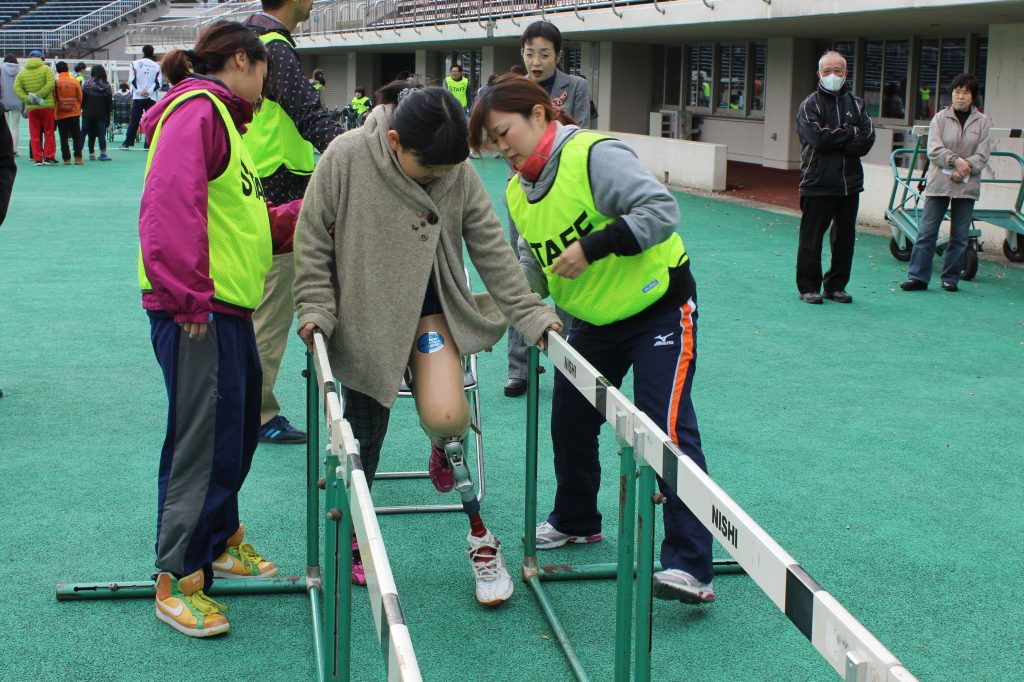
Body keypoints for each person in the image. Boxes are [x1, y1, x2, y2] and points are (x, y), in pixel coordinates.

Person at [293, 81, 561, 603]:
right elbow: (312, 239)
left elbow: (488, 245)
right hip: (366, 318)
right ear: (394, 141)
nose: (441, 176)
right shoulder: (346, 156)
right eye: (430, 169)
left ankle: (481, 536)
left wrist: (530, 315)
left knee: (446, 418)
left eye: (448, 169)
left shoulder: (454, 167)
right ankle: (354, 536)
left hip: (432, 310)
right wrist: (317, 306)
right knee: (362, 438)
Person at [470, 75, 715, 605]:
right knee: (571, 421)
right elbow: (531, 266)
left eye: (504, 132)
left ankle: (691, 564)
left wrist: (595, 246)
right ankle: (577, 518)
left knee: (665, 430)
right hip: (590, 322)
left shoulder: (593, 153)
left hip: (659, 309)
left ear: (540, 115)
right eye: (492, 142)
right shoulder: (516, 192)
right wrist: (493, 312)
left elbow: (660, 210)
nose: (501, 149)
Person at [138, 20, 302, 638]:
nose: (267, 88)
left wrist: (302, 217)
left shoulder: (224, 126)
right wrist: (188, 301)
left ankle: (222, 539)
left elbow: (245, 224)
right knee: (200, 445)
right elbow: (168, 204)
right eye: (265, 72)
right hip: (197, 312)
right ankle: (178, 578)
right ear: (242, 60)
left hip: (225, 309)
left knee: (235, 433)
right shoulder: (200, 110)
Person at [243, 0, 346, 445]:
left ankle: (249, 405)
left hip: (260, 184)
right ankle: (257, 412)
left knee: (255, 307)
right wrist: (356, 158)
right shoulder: (274, 46)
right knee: (270, 312)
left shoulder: (254, 35)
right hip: (280, 188)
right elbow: (310, 118)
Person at [504, 20, 591, 398]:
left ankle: (567, 362)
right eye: (529, 53)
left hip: (564, 196)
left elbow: (580, 135)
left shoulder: (577, 88)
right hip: (521, 192)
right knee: (519, 277)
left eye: (544, 53)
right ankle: (517, 366)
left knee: (565, 273)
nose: (536, 61)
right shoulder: (511, 89)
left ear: (558, 55)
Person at [795, 50, 875, 305]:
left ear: (846, 73)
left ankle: (836, 286)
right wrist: (849, 134)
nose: (832, 76)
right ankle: (809, 287)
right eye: (827, 71)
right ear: (818, 74)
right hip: (817, 182)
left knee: (844, 240)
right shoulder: (809, 105)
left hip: (849, 184)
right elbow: (817, 138)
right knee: (811, 239)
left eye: (837, 71)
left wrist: (840, 138)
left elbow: (866, 140)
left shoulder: (858, 104)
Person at [901, 74, 991, 293]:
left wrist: (966, 167)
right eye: (956, 91)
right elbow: (934, 150)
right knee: (927, 231)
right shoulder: (940, 118)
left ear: (973, 96)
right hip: (939, 182)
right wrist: (956, 161)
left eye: (965, 92)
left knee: (960, 236)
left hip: (967, 184)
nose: (960, 97)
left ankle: (951, 278)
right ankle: (918, 277)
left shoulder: (983, 122)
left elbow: (983, 154)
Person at [14, 50, 57, 166]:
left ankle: (37, 158)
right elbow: (51, 84)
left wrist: (28, 98)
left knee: (34, 134)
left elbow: (17, 89)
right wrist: (40, 95)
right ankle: (48, 157)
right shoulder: (47, 69)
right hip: (46, 105)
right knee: (49, 132)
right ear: (40, 59)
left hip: (32, 107)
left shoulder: (22, 73)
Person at [120, 44, 161, 150]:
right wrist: (149, 91)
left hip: (138, 97)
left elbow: (132, 80)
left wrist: (139, 91)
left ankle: (127, 144)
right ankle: (148, 144)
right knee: (150, 121)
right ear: (152, 53)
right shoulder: (157, 66)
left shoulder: (134, 64)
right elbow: (158, 83)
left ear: (143, 52)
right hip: (151, 97)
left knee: (134, 120)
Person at [53, 61, 84, 165]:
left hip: (61, 113)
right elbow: (80, 97)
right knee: (76, 135)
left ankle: (66, 159)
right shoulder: (74, 81)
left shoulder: (56, 83)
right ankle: (78, 157)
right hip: (74, 111)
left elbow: (54, 98)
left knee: (63, 137)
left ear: (57, 71)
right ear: (67, 69)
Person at [82, 64, 113, 161]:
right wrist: (109, 112)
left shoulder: (86, 84)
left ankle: (88, 153)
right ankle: (103, 154)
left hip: (88, 112)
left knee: (87, 133)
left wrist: (84, 108)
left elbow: (82, 99)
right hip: (101, 112)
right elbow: (109, 102)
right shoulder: (107, 86)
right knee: (101, 134)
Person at [1, 55, 23, 157]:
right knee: (15, 126)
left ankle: (4, 149)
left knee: (4, 126)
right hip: (17, 101)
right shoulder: (20, 70)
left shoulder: (1, 68)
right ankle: (14, 149)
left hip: (3, 101)